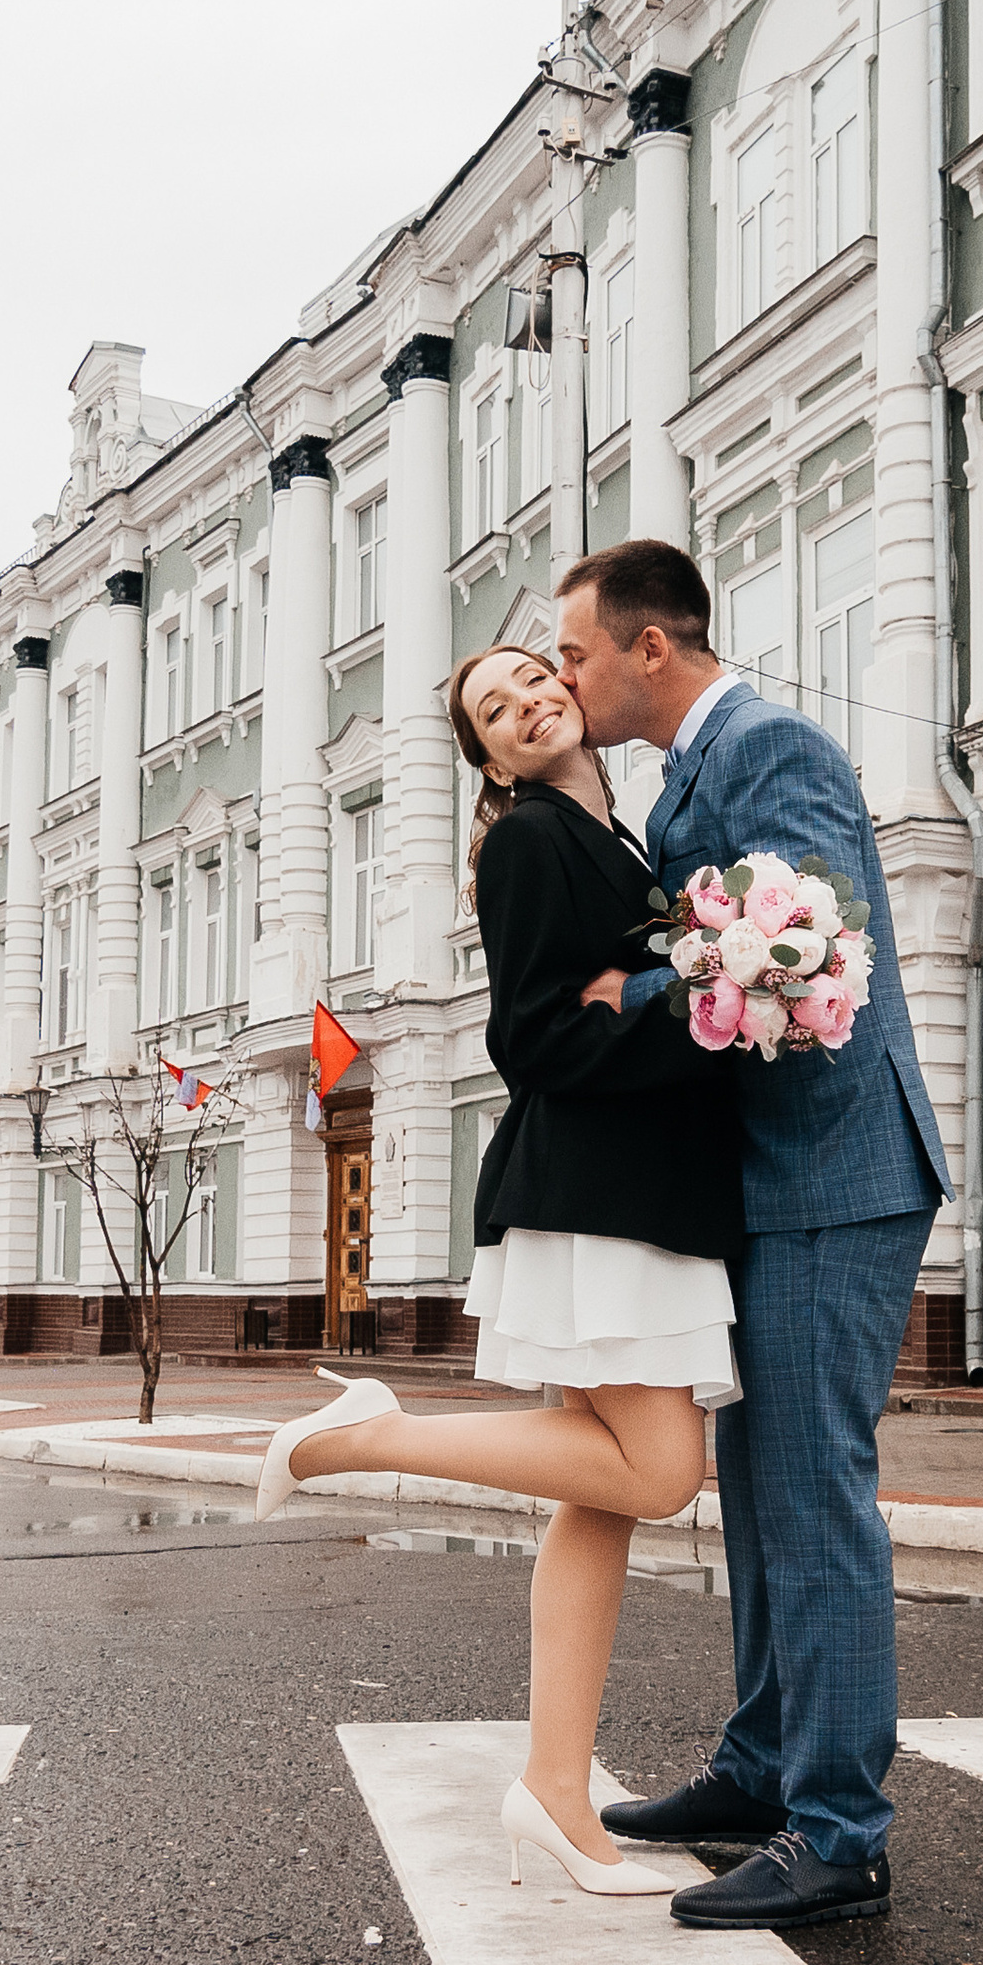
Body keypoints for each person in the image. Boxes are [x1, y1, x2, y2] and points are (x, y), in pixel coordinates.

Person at [258, 643, 742, 1900]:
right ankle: (367, 1440)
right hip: (596, 1201)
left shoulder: (614, 831)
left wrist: (662, 983)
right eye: (494, 709)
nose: (526, 699)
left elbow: (603, 994)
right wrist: (693, 1008)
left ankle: (555, 1788)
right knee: (659, 1472)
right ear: (490, 758)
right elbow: (531, 1036)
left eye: (532, 675)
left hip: (622, 1195)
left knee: (600, 1497)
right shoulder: (533, 839)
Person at [556, 539, 951, 1931]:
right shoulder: (685, 786)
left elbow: (809, 948)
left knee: (810, 1490)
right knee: (757, 1483)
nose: (568, 677)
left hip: (832, 1175)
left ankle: (839, 1831)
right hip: (765, 1184)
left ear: (649, 649)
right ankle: (762, 1767)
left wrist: (622, 1006)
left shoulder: (773, 748)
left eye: (578, 655)